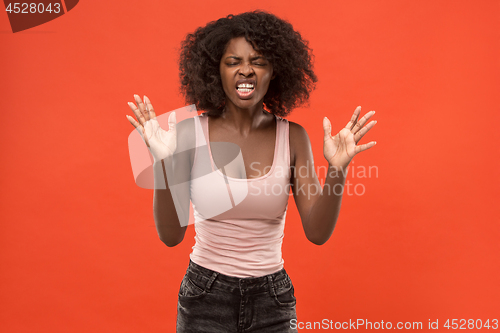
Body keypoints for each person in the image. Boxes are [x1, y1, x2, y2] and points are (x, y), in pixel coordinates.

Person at [126, 10, 377, 333]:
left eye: (258, 61)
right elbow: (171, 237)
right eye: (233, 62)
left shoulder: (293, 137)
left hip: (272, 298)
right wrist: (162, 163)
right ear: (216, 71)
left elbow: (317, 233)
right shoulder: (190, 134)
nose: (246, 70)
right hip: (205, 295)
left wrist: (337, 171)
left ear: (275, 71)